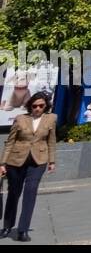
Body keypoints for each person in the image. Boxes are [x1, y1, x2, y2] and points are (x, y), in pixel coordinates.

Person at [1, 92, 58, 242]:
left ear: (46, 106)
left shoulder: (51, 119)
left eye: (41, 106)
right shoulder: (20, 119)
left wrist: (52, 161)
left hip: (38, 160)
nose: (38, 108)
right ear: (30, 106)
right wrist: (2, 163)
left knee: (30, 193)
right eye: (35, 106)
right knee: (14, 193)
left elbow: (51, 141)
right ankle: (7, 226)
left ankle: (23, 230)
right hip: (16, 160)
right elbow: (10, 141)